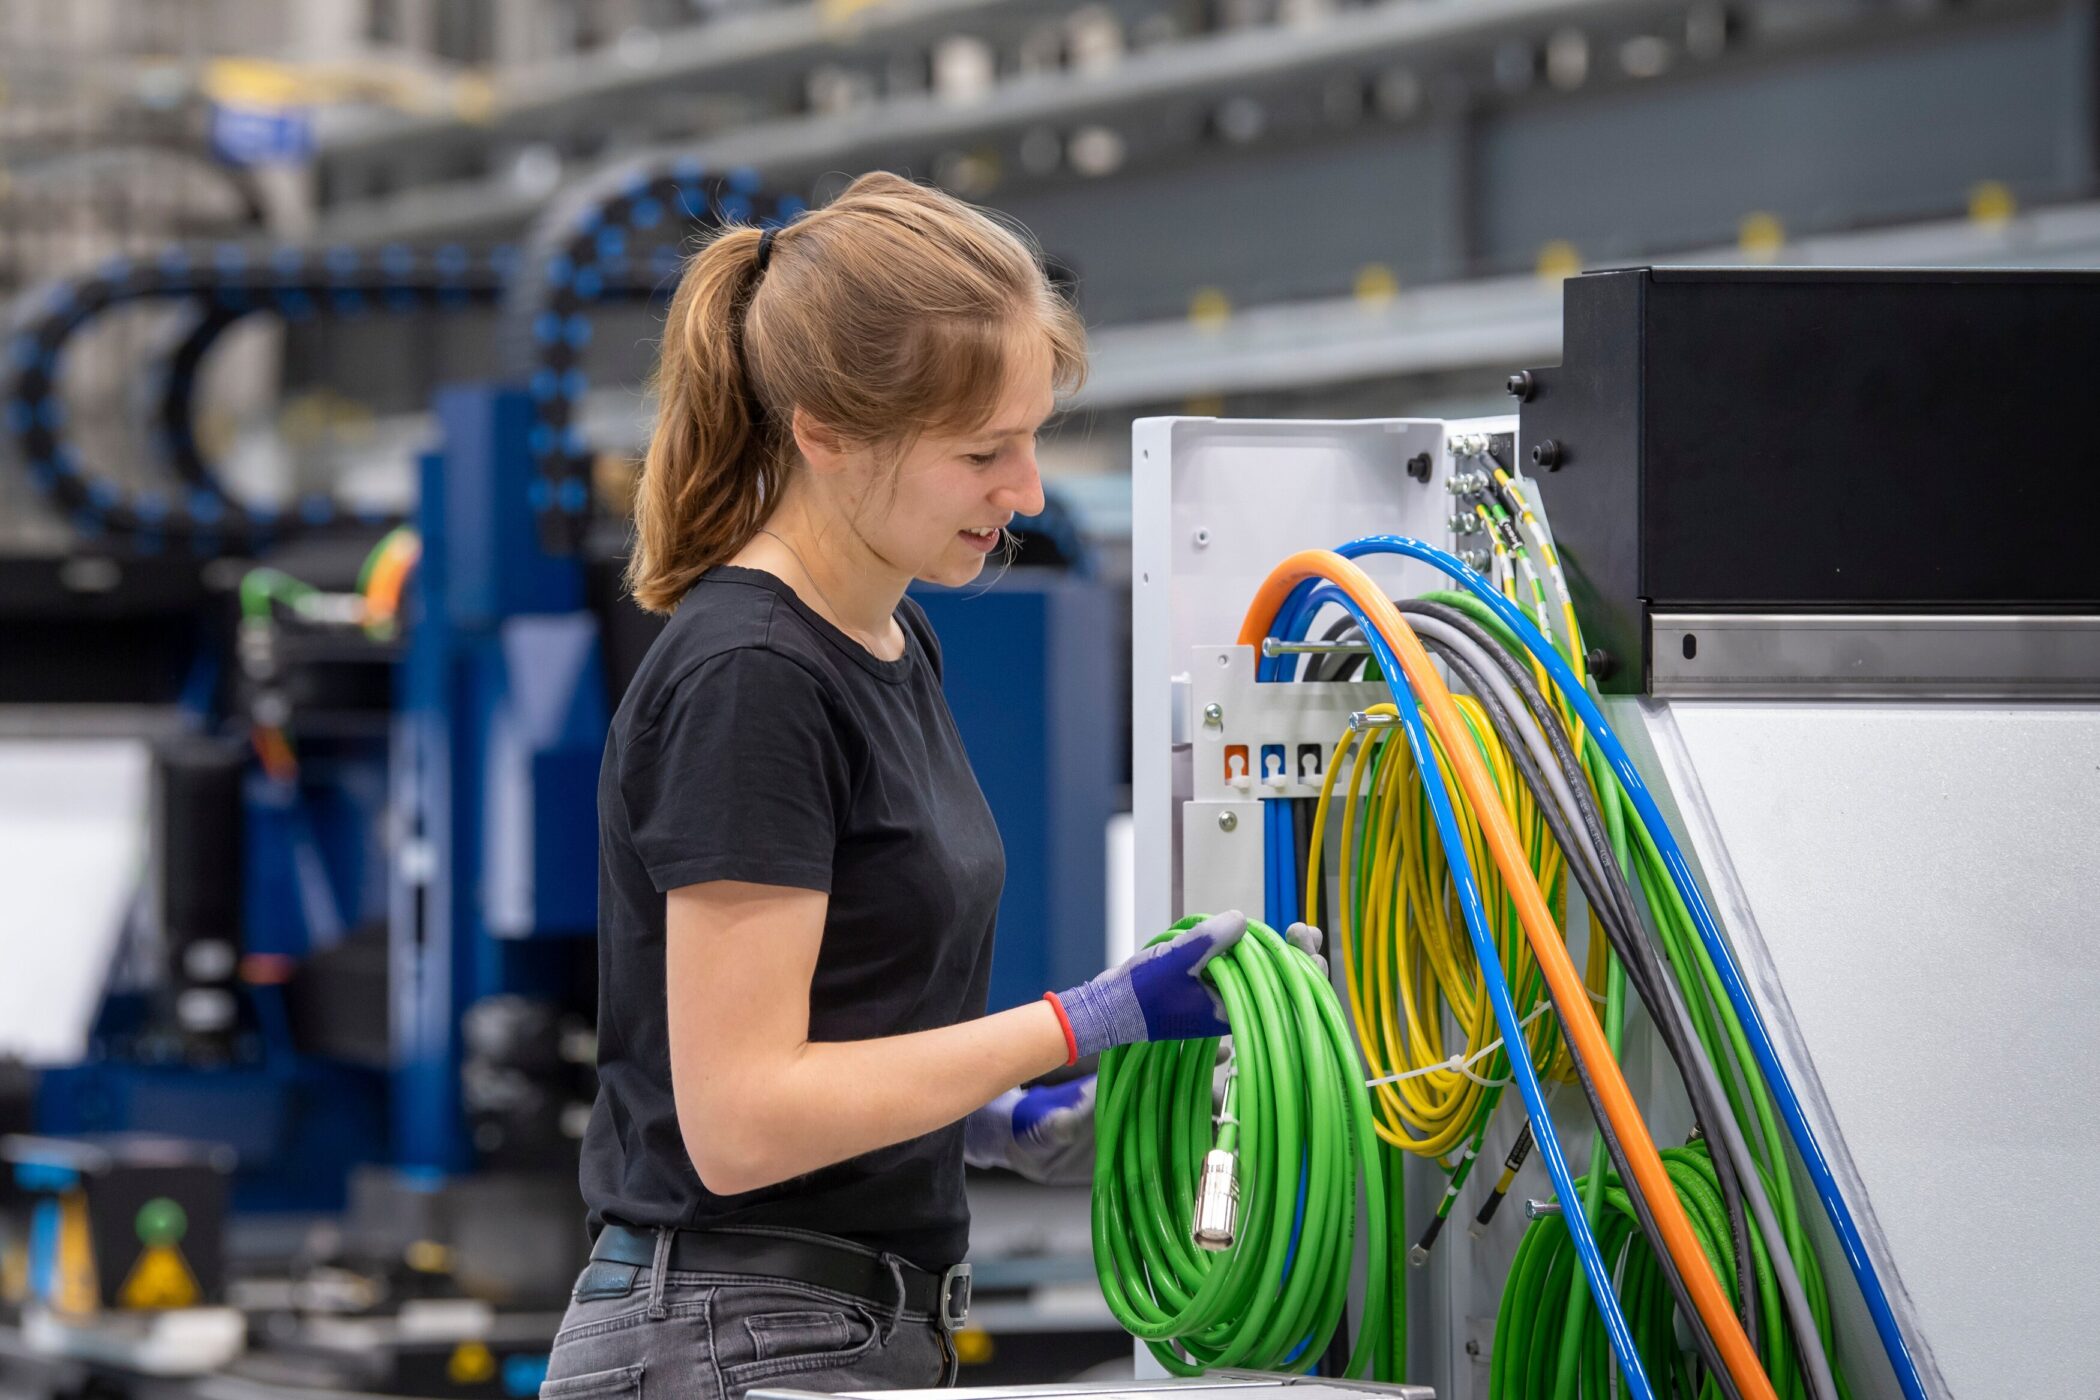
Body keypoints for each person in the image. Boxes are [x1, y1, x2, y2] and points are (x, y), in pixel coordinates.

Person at [542, 172, 1310, 1400]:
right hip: (733, 1337)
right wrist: (1079, 1023)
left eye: (1032, 437)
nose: (1029, 492)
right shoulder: (755, 675)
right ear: (825, 433)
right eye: (981, 452)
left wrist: (983, 1125)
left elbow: (834, 1033)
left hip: (833, 1324)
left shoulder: (890, 643)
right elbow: (739, 1120)